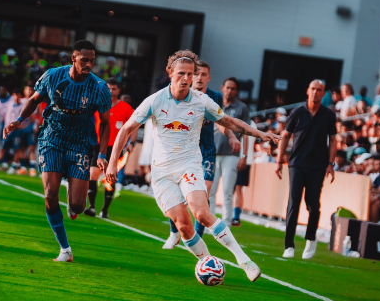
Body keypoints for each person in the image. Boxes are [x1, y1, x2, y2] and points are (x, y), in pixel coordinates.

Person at [106, 50, 279, 281]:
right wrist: (112, 164)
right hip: (163, 173)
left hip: (189, 166)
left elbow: (229, 121)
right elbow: (126, 129)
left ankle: (244, 261)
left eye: (190, 74)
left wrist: (259, 133)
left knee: (201, 212)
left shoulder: (201, 101)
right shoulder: (155, 100)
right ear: (170, 73)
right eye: (181, 73)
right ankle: (207, 262)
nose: (186, 78)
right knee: (183, 225)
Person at [2, 40, 111, 263]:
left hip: (80, 144)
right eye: (84, 60)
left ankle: (73, 204)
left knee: (79, 205)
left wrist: (101, 154)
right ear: (73, 58)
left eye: (91, 60)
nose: (88, 64)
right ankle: (65, 249)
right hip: (51, 139)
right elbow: (35, 100)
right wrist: (19, 120)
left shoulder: (99, 87)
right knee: (50, 194)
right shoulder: (53, 76)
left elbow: (106, 123)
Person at [163, 61, 240, 248]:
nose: (199, 77)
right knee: (179, 194)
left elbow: (220, 121)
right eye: (195, 74)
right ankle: (174, 232)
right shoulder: (181, 94)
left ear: (208, 78)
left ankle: (196, 238)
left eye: (203, 74)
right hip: (184, 152)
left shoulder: (214, 96)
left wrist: (232, 137)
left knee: (202, 194)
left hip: (206, 151)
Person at [275, 80, 337, 260]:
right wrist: (280, 160)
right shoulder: (297, 112)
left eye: (319, 90)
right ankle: (289, 245)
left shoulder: (328, 115)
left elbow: (333, 140)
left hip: (318, 165)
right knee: (293, 204)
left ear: (324, 93)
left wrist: (331, 164)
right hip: (296, 163)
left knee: (313, 204)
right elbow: (285, 136)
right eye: (313, 89)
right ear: (307, 91)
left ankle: (311, 239)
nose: (316, 93)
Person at [84, 77, 135, 219]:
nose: (111, 91)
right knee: (92, 175)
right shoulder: (98, 104)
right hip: (98, 145)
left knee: (110, 179)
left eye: (114, 88)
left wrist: (132, 142)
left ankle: (105, 209)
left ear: (119, 90)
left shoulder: (126, 108)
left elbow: (134, 126)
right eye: (108, 88)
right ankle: (92, 207)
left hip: (116, 147)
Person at [211, 77, 251, 226]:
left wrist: (244, 156)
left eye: (233, 88)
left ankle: (226, 222)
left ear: (237, 91)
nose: (230, 91)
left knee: (228, 190)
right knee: (210, 189)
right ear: (222, 88)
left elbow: (246, 132)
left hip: (232, 154)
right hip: (212, 151)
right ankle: (210, 221)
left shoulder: (242, 108)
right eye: (227, 87)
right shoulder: (214, 103)